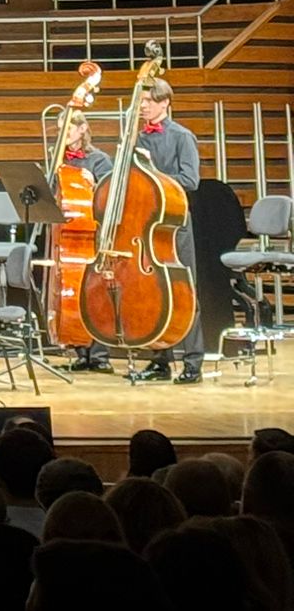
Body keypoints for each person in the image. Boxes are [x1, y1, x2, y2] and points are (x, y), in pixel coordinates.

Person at [112, 77, 205, 383]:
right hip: (144, 227)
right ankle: (160, 360)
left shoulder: (182, 136)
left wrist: (153, 171)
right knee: (155, 295)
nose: (144, 107)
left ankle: (193, 363)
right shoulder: (137, 138)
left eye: (149, 102)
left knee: (183, 293)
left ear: (165, 102)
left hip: (173, 225)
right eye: (141, 103)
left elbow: (190, 181)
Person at [59, 109, 119, 373]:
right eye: (61, 129)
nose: (65, 133)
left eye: (69, 128)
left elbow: (112, 197)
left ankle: (100, 353)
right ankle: (80, 350)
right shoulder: (57, 160)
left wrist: (94, 183)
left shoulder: (100, 160)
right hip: (67, 235)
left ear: (83, 130)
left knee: (95, 294)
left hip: (94, 233)